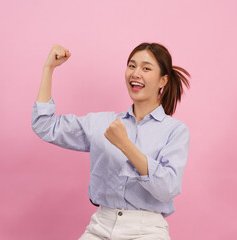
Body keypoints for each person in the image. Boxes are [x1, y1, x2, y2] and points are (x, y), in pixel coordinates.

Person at [31, 42, 191, 239]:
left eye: (146, 68)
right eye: (132, 66)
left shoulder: (175, 131)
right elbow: (45, 126)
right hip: (101, 225)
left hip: (147, 230)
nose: (135, 73)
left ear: (162, 81)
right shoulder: (102, 123)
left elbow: (168, 189)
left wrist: (125, 144)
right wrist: (49, 69)